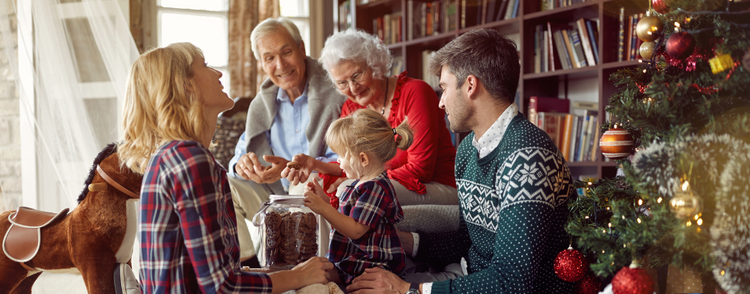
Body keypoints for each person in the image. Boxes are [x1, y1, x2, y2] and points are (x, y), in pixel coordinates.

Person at [347, 29, 575, 294]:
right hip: (469, 275)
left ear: (470, 85)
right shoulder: (468, 149)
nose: (441, 103)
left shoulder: (527, 156)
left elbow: (512, 281)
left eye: (444, 88)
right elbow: (470, 241)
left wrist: (411, 290)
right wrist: (404, 241)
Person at [118, 42, 333, 294]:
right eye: (205, 66)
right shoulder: (191, 160)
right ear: (185, 86)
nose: (218, 73)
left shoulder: (170, 155)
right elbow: (222, 287)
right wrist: (297, 277)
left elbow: (213, 276)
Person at [282, 29, 457, 206]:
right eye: (342, 83)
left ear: (374, 64)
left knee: (351, 191)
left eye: (356, 75)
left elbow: (419, 170)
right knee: (305, 185)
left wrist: (356, 183)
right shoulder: (351, 107)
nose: (352, 87)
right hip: (384, 182)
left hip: (434, 186)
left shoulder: (415, 93)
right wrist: (314, 164)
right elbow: (350, 163)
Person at [227, 17, 347, 260]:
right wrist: (243, 166)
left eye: (287, 52)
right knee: (224, 185)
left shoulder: (335, 91)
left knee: (304, 181)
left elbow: (347, 156)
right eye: (269, 58)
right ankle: (251, 265)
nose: (280, 65)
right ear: (261, 63)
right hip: (273, 196)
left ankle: (312, 268)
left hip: (316, 189)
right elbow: (239, 156)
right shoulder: (263, 102)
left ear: (302, 49)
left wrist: (293, 167)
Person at [303, 109, 413, 284]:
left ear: (362, 159)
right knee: (313, 270)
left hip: (370, 264)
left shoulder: (376, 188)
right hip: (350, 259)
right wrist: (323, 200)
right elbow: (343, 221)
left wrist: (322, 208)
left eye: (340, 155)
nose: (338, 161)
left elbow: (355, 230)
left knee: (317, 277)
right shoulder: (358, 184)